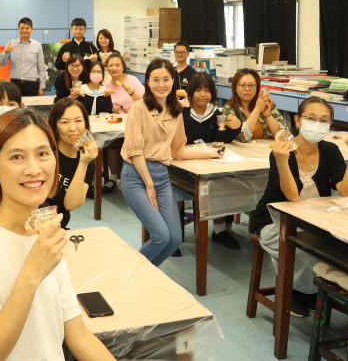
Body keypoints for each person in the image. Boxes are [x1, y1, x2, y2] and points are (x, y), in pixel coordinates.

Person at [0, 109, 114, 361]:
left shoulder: (45, 234)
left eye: (43, 154)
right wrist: (31, 274)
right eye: (17, 157)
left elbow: (78, 335)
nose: (34, 169)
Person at [253, 97, 348, 316]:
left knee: (341, 248)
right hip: (276, 222)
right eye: (311, 118)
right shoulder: (282, 151)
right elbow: (292, 196)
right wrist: (282, 162)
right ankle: (294, 291)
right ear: (297, 120)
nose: (317, 124)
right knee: (303, 252)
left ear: (330, 124)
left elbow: (345, 190)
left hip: (314, 220)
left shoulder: (330, 150)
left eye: (324, 120)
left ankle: (312, 291)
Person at [121, 59, 223, 266]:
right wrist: (149, 184)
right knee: (161, 236)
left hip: (161, 175)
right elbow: (135, 152)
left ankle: (143, 274)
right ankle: (129, 276)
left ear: (173, 81)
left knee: (174, 239)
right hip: (137, 176)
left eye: (166, 79)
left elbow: (177, 150)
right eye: (155, 80)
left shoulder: (176, 111)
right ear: (147, 81)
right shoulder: (138, 108)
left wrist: (208, 153)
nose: (161, 85)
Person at [184, 71, 244, 248]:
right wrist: (185, 112)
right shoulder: (182, 111)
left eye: (207, 90)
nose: (203, 95)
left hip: (211, 163)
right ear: (190, 92)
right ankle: (177, 234)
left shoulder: (216, 114)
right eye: (198, 90)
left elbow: (221, 138)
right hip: (185, 162)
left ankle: (219, 231)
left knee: (224, 183)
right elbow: (184, 139)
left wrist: (236, 127)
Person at [47, 98, 97, 228]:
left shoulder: (87, 162)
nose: (73, 128)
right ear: (55, 127)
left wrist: (83, 163)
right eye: (65, 122)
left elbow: (71, 205)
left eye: (78, 121)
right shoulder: (45, 152)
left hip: (58, 224)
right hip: (33, 219)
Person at [222, 68, 284, 143]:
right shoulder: (228, 109)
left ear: (257, 88)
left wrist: (267, 115)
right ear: (235, 88)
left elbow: (283, 136)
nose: (247, 89)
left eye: (251, 85)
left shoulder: (266, 104)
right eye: (243, 85)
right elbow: (242, 137)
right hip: (242, 149)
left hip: (266, 148)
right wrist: (257, 110)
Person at [0, 17, 46, 97]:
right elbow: (2, 63)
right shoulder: (11, 44)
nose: (24, 30)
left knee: (31, 105)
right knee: (15, 105)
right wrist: (6, 51)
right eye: (22, 28)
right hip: (15, 84)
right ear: (18, 29)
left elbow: (41, 67)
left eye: (27, 28)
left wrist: (42, 86)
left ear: (31, 29)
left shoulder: (37, 45)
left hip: (32, 84)